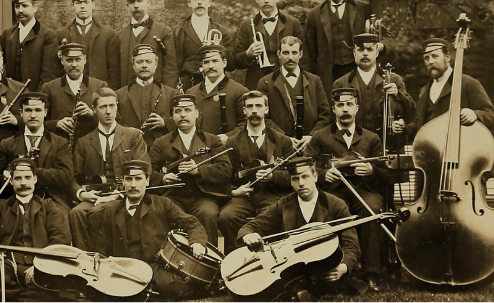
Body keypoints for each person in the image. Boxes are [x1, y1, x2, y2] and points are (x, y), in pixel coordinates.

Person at [238, 157, 364, 300]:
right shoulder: (284, 204)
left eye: (305, 177)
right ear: (291, 181)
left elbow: (351, 244)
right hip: (294, 271)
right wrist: (247, 235)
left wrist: (344, 266)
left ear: (315, 176)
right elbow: (252, 226)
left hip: (325, 269)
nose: (301, 183)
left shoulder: (335, 204)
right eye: (295, 179)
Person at [305, 88, 390, 292]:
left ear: (357, 108)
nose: (345, 109)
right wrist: (324, 175)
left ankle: (371, 272)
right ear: (334, 109)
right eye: (340, 105)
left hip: (363, 190)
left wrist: (371, 170)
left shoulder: (371, 138)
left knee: (371, 208)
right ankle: (331, 267)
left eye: (349, 104)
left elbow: (386, 175)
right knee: (330, 208)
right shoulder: (320, 136)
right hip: (333, 191)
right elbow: (307, 167)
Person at [95, 160, 210, 301]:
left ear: (147, 181)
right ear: (123, 183)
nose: (133, 185)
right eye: (128, 179)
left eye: (138, 179)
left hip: (154, 268)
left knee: (181, 288)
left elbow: (191, 222)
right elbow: (102, 249)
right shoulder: (111, 212)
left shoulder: (163, 204)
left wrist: (197, 242)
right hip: (123, 268)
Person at [0, 158, 72, 302]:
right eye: (18, 178)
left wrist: (41, 266)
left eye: (28, 177)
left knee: (57, 278)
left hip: (40, 266)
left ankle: (16, 297)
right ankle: (31, 297)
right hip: (9, 266)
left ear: (35, 179)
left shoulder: (49, 206)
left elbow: (61, 238)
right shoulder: (0, 206)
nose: (23, 183)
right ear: (11, 181)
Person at [70, 87, 150, 250]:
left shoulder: (132, 136)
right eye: (103, 107)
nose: (108, 111)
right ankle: (84, 262)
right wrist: (82, 193)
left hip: (124, 195)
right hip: (95, 196)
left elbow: (143, 170)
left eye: (112, 106)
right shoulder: (84, 142)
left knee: (100, 212)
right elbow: (72, 176)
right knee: (76, 213)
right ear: (94, 110)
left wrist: (117, 195)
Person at [219, 91, 296, 253]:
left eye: (259, 106)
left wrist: (274, 176)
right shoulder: (232, 142)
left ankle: (268, 257)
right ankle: (239, 258)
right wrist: (234, 191)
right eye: (250, 106)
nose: (254, 110)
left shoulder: (282, 141)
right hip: (244, 197)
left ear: (266, 110)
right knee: (227, 217)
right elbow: (224, 175)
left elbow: (294, 175)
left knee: (274, 216)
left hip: (272, 195)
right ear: (244, 111)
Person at [149, 94, 232, 245]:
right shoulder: (161, 143)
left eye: (187, 110)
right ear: (172, 116)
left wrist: (199, 170)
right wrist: (162, 178)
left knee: (208, 213)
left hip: (203, 196)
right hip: (172, 196)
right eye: (178, 111)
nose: (183, 115)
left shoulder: (212, 140)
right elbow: (148, 172)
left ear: (197, 113)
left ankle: (209, 260)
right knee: (164, 212)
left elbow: (225, 170)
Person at [301, 0, 391, 97]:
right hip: (328, 76)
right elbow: (308, 53)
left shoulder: (363, 8)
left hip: (359, 70)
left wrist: (379, 46)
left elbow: (388, 37)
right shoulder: (314, 15)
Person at [0, 92, 73, 217]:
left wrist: (28, 174)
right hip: (15, 200)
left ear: (45, 112)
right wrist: (9, 177)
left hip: (50, 200)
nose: (33, 115)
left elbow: (65, 176)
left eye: (38, 110)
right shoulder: (8, 144)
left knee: (60, 219)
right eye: (28, 110)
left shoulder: (59, 143)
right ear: (21, 113)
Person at [332, 33, 415, 147]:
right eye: (360, 50)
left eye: (370, 49)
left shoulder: (394, 79)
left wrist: (398, 94)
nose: (365, 53)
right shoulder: (341, 83)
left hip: (387, 146)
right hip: (353, 148)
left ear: (377, 52)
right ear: (354, 53)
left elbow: (412, 113)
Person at [406, 37, 494, 137]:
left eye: (435, 56)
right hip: (433, 150)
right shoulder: (424, 90)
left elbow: (492, 116)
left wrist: (475, 115)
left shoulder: (467, 83)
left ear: (447, 57)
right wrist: (405, 129)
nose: (430, 61)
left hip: (461, 148)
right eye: (426, 58)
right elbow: (422, 123)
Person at [257, 36, 330, 148]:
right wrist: (284, 138)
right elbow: (263, 117)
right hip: (278, 146)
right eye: (286, 53)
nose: (290, 57)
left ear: (300, 54)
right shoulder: (265, 82)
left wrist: (311, 136)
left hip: (310, 145)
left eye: (294, 53)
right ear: (279, 54)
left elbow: (325, 115)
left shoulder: (315, 81)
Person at [234, 0, 303, 90]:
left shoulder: (293, 23)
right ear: (256, 0)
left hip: (286, 81)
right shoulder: (246, 25)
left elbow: (303, 58)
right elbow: (236, 61)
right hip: (256, 83)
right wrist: (248, 54)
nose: (266, 0)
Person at [41, 43, 108, 143]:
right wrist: (56, 124)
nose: (73, 64)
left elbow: (114, 120)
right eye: (69, 60)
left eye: (78, 59)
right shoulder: (49, 88)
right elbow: (37, 120)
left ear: (84, 60)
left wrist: (92, 115)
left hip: (92, 146)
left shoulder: (100, 86)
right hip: (60, 147)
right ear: (62, 60)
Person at [173, 0, 234, 90]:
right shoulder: (178, 31)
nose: (199, 2)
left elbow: (231, 64)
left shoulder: (222, 31)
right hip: (189, 83)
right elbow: (174, 65)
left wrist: (218, 49)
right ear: (189, 3)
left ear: (209, 2)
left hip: (216, 84)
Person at [56, 0, 121, 89]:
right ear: (72, 6)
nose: (82, 6)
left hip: (98, 90)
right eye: (78, 3)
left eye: (86, 2)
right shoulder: (61, 34)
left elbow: (114, 71)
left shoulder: (108, 34)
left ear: (93, 5)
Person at [116, 44, 177, 147]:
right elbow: (112, 123)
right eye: (139, 62)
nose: (144, 65)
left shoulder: (171, 93)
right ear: (133, 64)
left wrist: (165, 122)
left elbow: (183, 120)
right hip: (130, 148)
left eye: (148, 62)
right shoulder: (119, 94)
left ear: (156, 64)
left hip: (161, 150)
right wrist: (126, 131)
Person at [117, 0, 178, 88]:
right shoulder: (120, 36)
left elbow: (171, 68)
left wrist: (166, 94)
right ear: (127, 5)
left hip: (156, 93)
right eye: (132, 2)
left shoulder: (164, 32)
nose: (136, 5)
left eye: (140, 1)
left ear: (148, 2)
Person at [0, 0, 60, 92]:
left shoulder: (48, 36)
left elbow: (48, 74)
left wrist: (38, 98)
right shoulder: (7, 34)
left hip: (35, 97)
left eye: (25, 6)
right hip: (11, 96)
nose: (20, 10)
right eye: (17, 6)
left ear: (35, 7)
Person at [187, 44, 248, 143]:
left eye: (215, 61)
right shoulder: (192, 92)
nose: (211, 66)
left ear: (224, 63)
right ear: (201, 65)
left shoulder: (239, 91)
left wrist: (228, 137)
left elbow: (246, 123)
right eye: (206, 62)